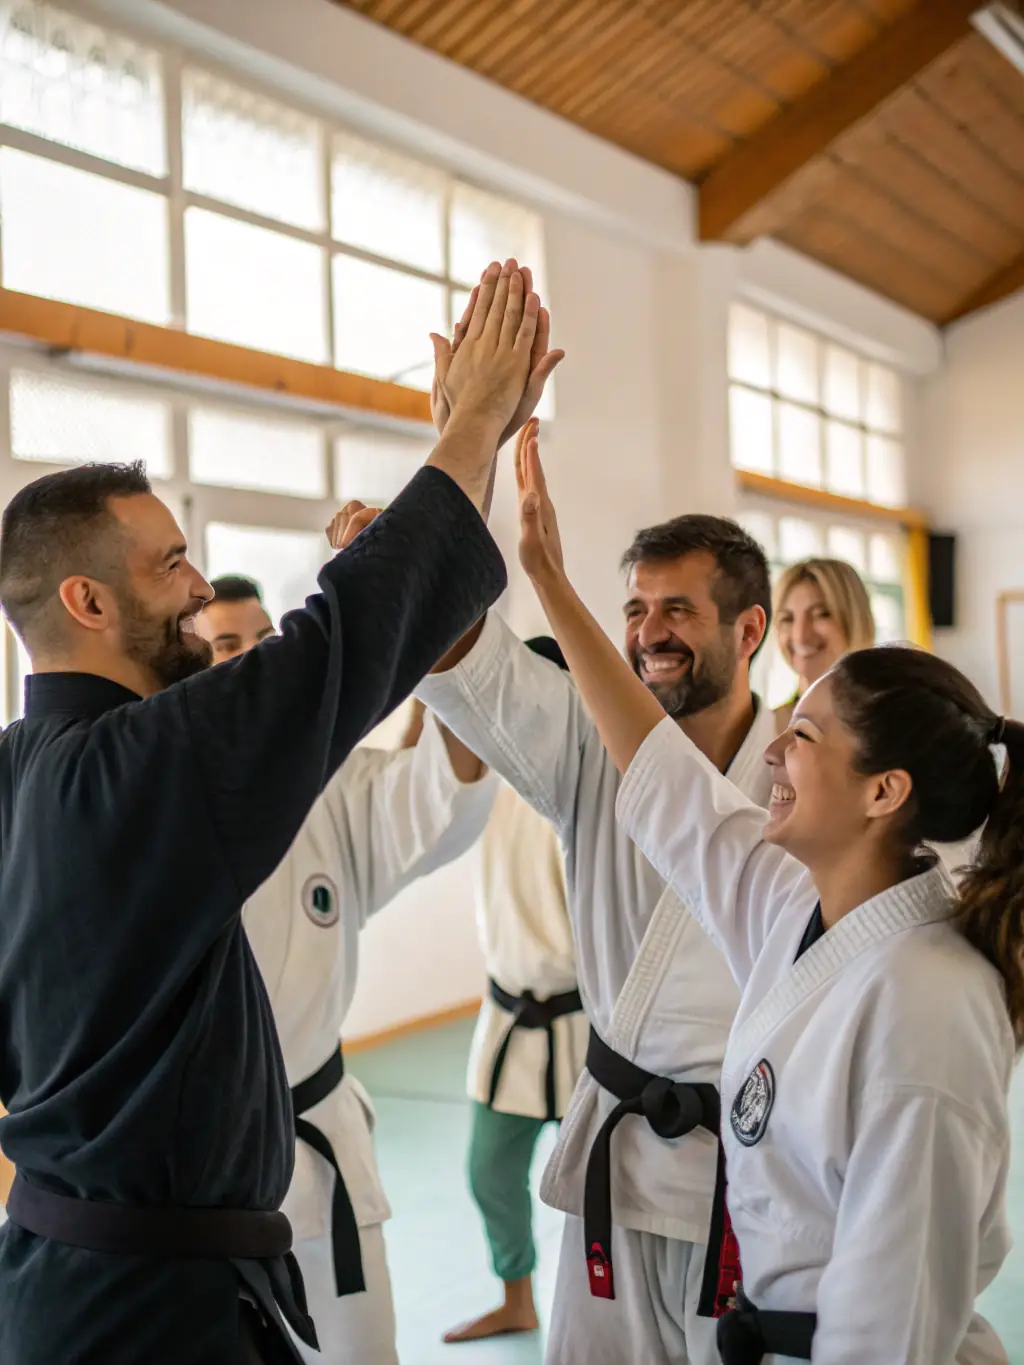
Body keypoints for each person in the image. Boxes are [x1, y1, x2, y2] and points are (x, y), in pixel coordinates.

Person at [0, 256, 549, 1365]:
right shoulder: (145, 767)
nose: (202, 589)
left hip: (63, 1278)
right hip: (149, 1312)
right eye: (173, 565)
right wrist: (476, 426)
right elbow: (343, 635)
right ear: (88, 601)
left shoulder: (21, 769)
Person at [514, 421, 1017, 1364]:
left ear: (884, 792)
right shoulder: (797, 908)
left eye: (809, 737)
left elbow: (894, 1321)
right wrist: (546, 573)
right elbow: (661, 775)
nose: (777, 747)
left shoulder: (928, 1004)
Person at [415, 435, 777, 1359]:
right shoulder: (587, 746)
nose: (650, 630)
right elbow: (486, 674)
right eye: (636, 608)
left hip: (751, 1170)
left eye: (678, 610)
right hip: (617, 1161)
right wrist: (409, 550)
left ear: (749, 629)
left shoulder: (802, 778)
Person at [194, 575, 498, 1365]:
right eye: (227, 644)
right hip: (202, 1164)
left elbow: (440, 794)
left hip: (319, 1149)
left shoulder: (326, 785)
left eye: (265, 640)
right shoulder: (154, 799)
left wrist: (449, 629)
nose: (252, 660)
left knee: (363, 1353)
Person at [426, 638, 586, 1347]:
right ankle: (516, 1296)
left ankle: (601, 1312)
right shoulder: (485, 775)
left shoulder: (589, 781)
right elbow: (429, 752)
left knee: (595, 1189)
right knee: (491, 1168)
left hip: (588, 1021)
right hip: (510, 1013)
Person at [771, 557, 875, 730]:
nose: (800, 635)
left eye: (821, 614)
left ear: (855, 620)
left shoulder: (890, 720)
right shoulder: (764, 729)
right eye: (787, 619)